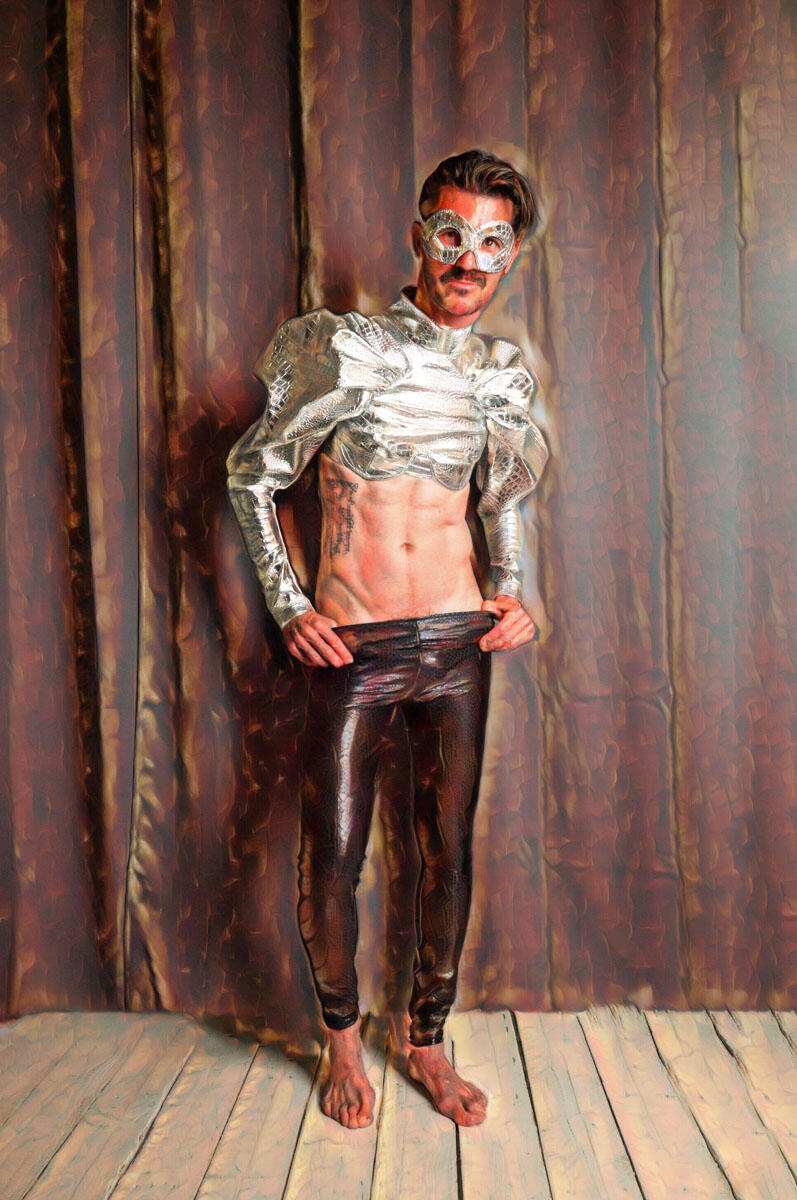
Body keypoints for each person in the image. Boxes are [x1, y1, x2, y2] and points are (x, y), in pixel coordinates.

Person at [226, 149, 550, 1129]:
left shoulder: (499, 374)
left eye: (490, 242)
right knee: (332, 855)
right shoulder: (346, 349)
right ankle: (340, 1040)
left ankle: (426, 1040)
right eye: (450, 235)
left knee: (447, 852)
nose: (467, 259)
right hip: (354, 642)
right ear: (419, 237)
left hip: (457, 642)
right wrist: (289, 606)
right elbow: (252, 473)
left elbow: (501, 497)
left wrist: (511, 592)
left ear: (508, 257)